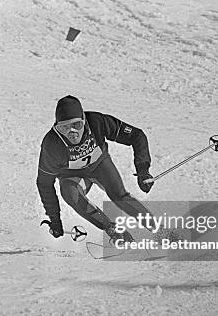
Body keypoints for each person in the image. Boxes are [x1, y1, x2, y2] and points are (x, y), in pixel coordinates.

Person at [36, 95, 155, 243]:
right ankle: (113, 230)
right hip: (73, 177)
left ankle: (161, 231)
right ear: (57, 128)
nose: (72, 133)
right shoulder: (52, 144)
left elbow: (137, 136)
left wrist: (143, 170)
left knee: (119, 197)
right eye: (64, 128)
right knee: (70, 193)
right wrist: (54, 219)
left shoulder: (97, 122)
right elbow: (44, 183)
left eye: (77, 125)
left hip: (100, 167)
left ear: (84, 121)